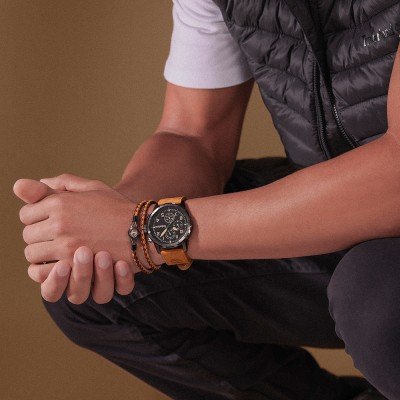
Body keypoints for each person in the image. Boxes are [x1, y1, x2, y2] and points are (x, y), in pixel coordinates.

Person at [12, 1, 400, 399]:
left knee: (375, 298)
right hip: (333, 232)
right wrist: (116, 224)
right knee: (102, 287)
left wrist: (149, 230)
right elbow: (194, 135)